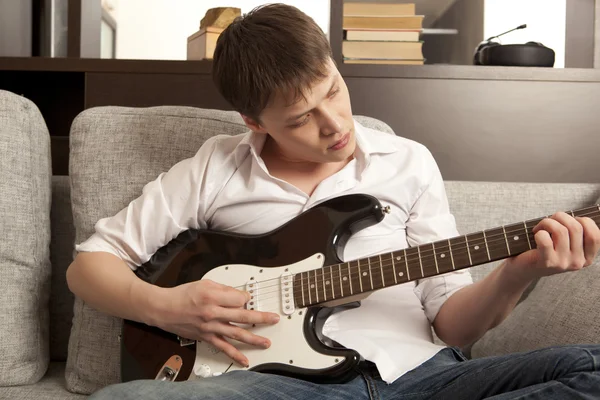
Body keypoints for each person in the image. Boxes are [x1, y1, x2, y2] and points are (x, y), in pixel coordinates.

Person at [67, 4, 600, 400]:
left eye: (333, 90)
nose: (335, 124)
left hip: (422, 377)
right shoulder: (215, 166)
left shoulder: (408, 161)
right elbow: (89, 266)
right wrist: (170, 308)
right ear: (255, 122)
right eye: (301, 118)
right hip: (275, 388)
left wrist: (517, 272)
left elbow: (453, 326)